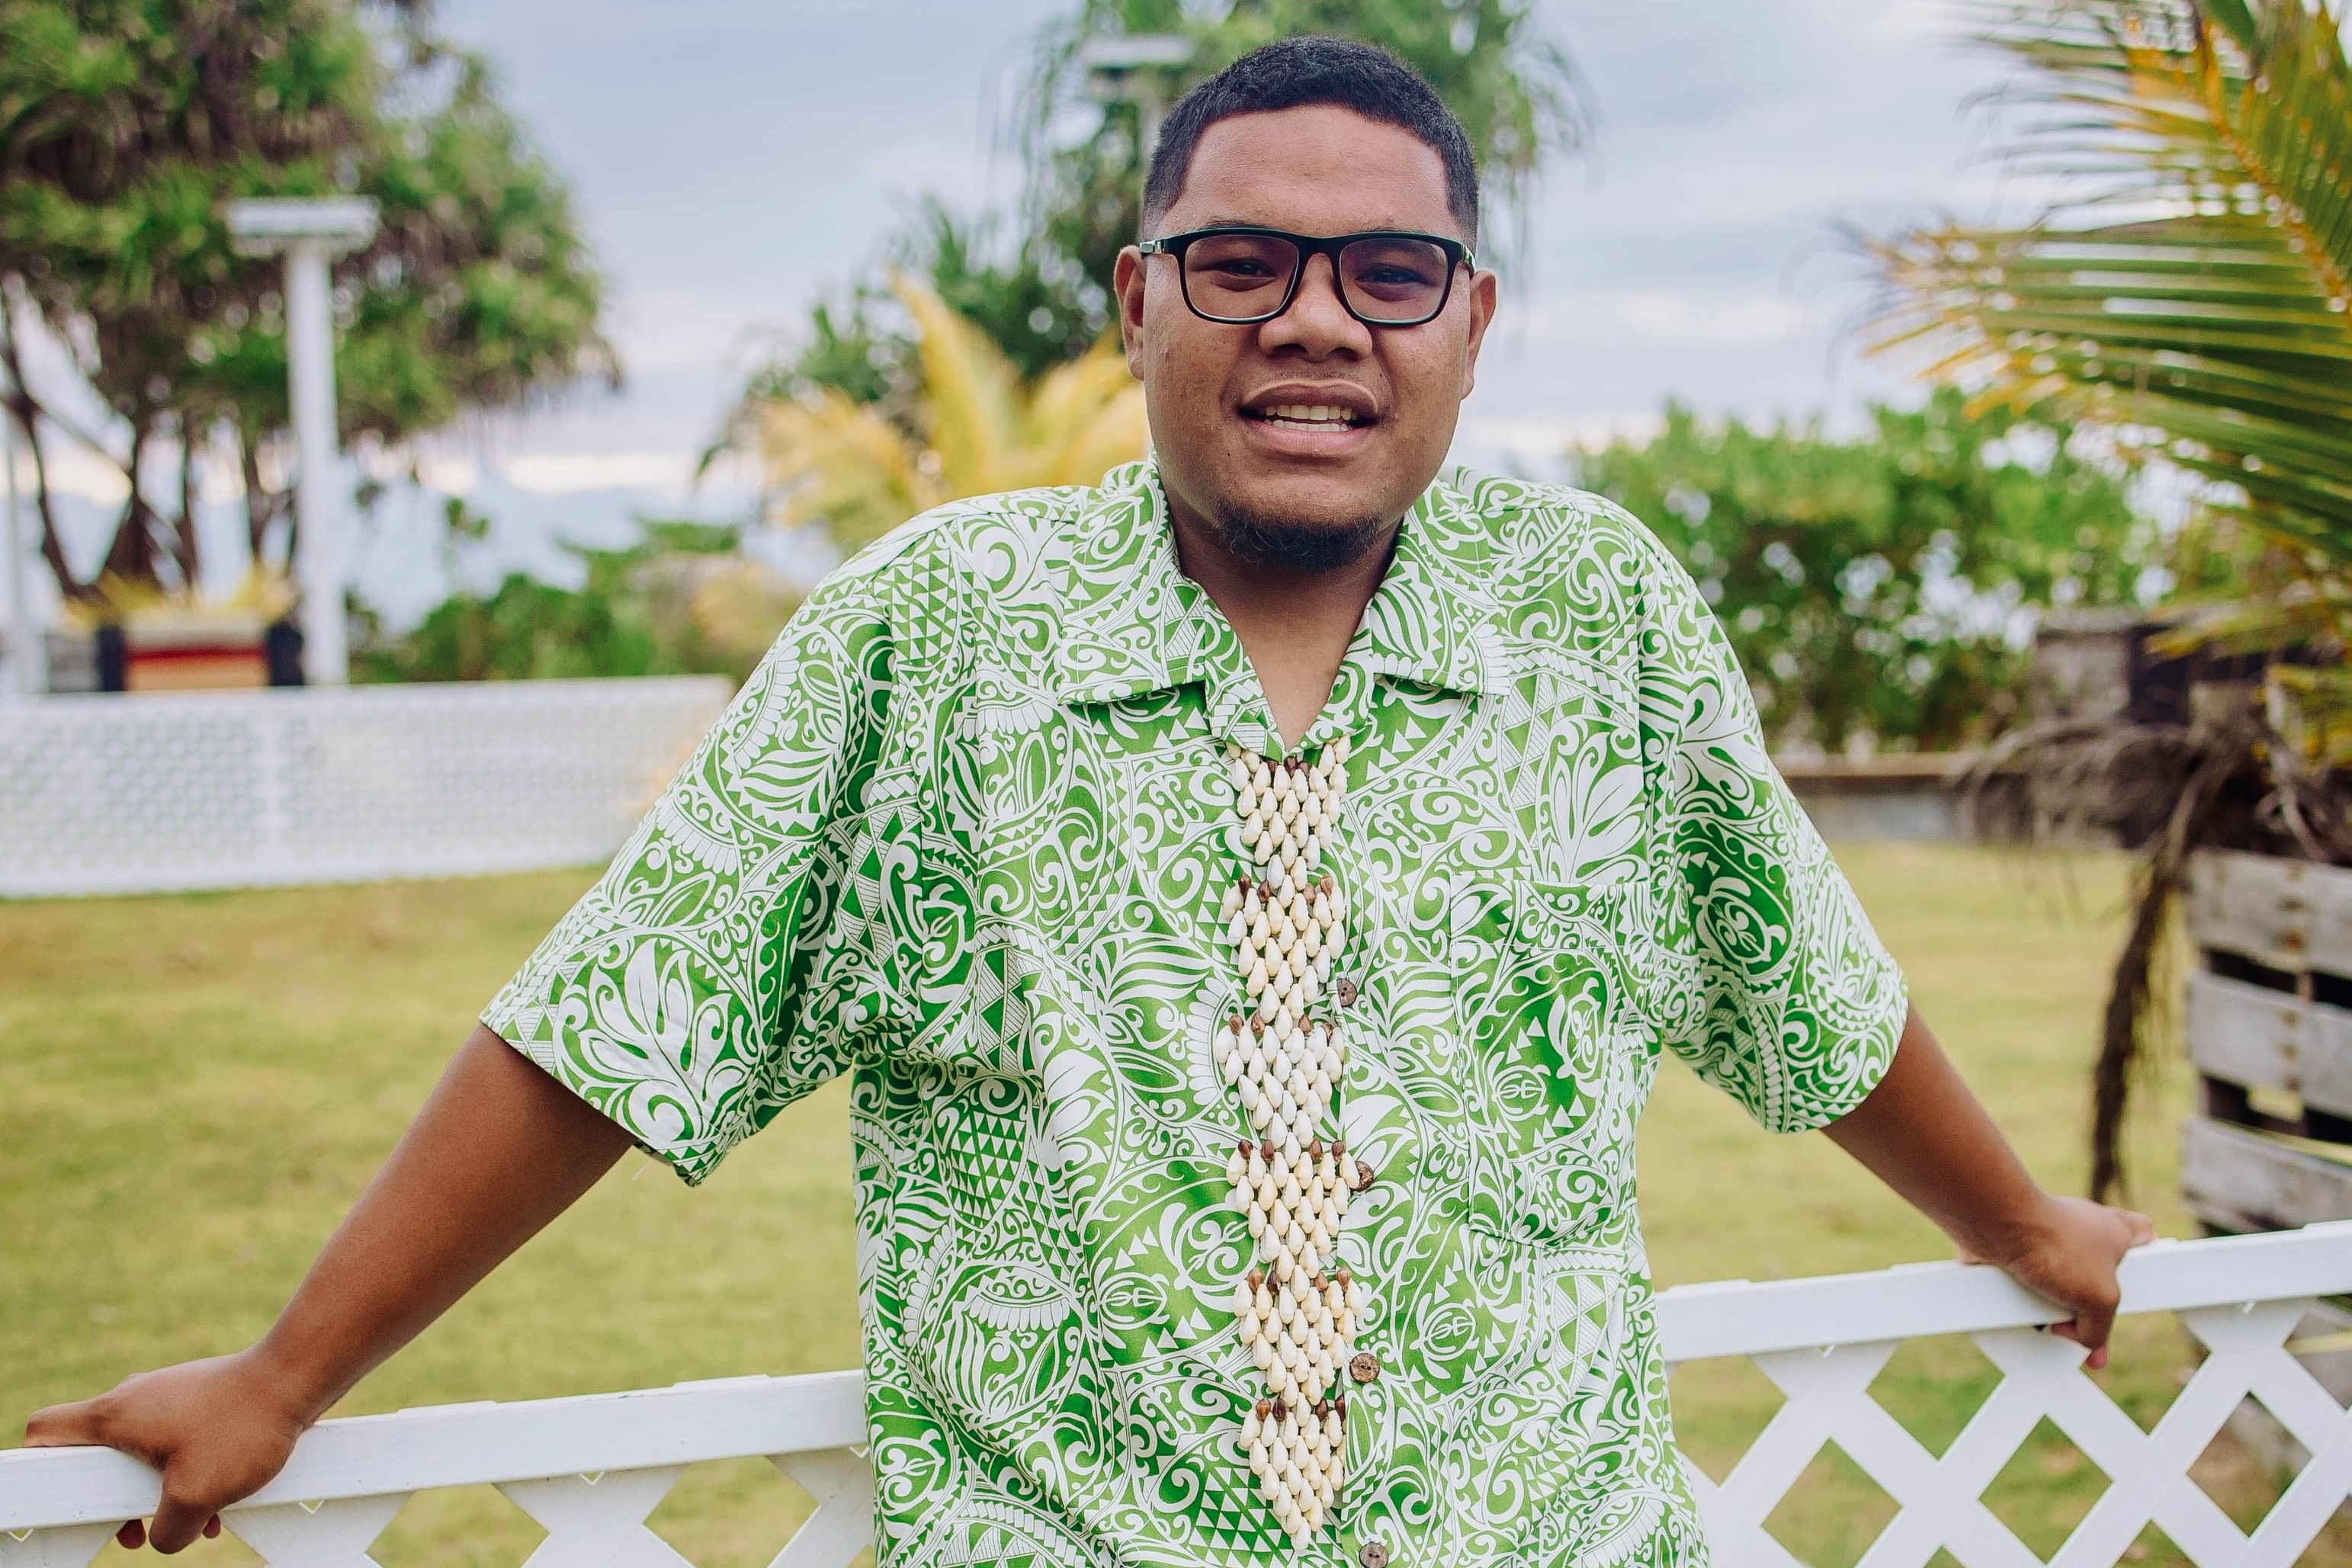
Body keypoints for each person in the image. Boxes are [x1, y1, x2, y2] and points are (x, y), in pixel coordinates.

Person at [28, 36, 2155, 1568]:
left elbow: (1802, 975)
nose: (1317, 321)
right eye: (1242, 264)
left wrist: (2026, 1224)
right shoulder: (934, 642)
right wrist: (290, 1375)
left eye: (1388, 276)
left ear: (1474, 325)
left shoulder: (1592, 618)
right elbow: (616, 1023)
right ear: (1138, 301)